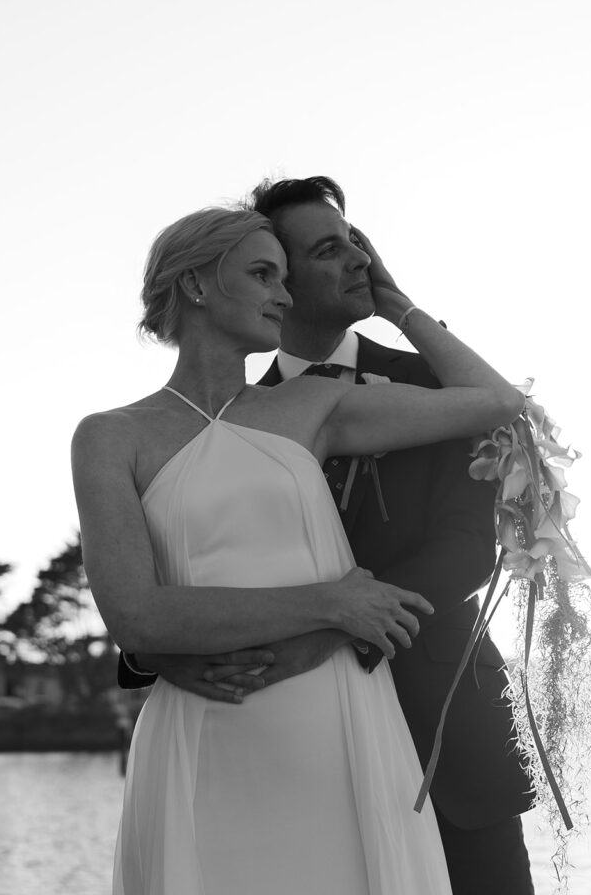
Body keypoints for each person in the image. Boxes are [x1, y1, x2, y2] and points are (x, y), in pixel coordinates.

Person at [75, 203, 524, 894]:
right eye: (262, 274)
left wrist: (397, 306)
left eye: (286, 276)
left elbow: (497, 404)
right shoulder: (108, 438)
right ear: (195, 285)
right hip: (203, 726)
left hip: (341, 718)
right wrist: (332, 603)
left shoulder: (316, 404)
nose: (283, 295)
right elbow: (135, 616)